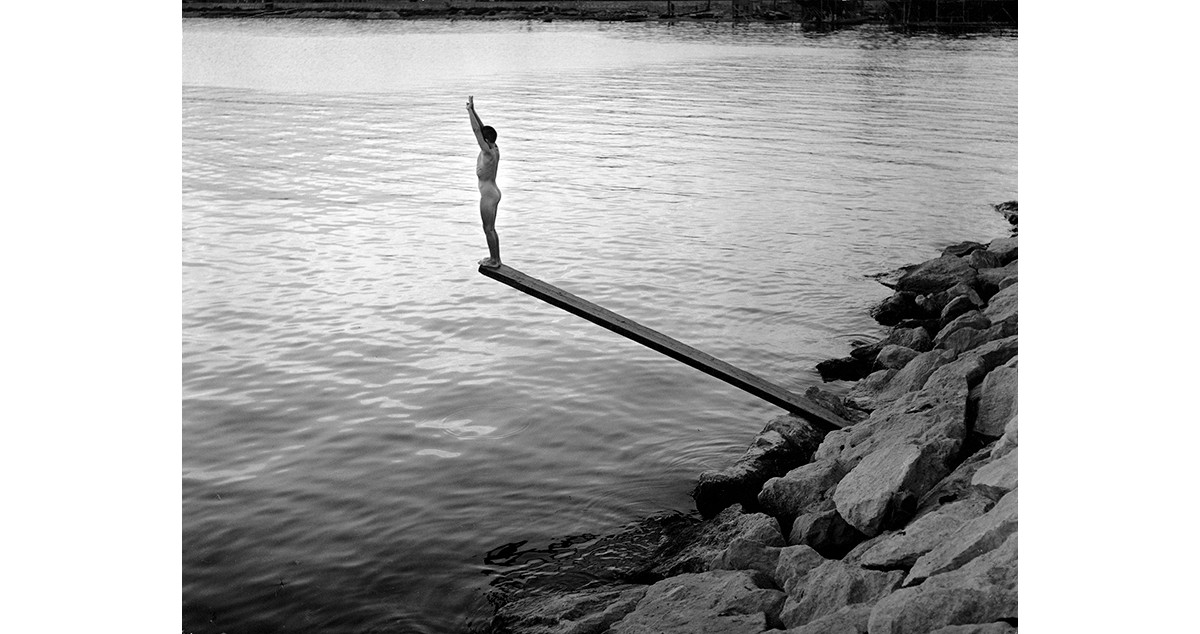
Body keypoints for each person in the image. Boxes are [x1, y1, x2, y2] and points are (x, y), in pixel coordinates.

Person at [466, 96, 501, 268]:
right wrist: (473, 110)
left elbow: (476, 131)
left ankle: (495, 260)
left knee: (488, 228)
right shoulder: (494, 147)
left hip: (488, 195)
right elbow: (481, 129)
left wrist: (468, 112)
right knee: (490, 228)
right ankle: (495, 258)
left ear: (485, 141)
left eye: (482, 139)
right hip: (493, 192)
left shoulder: (487, 152)